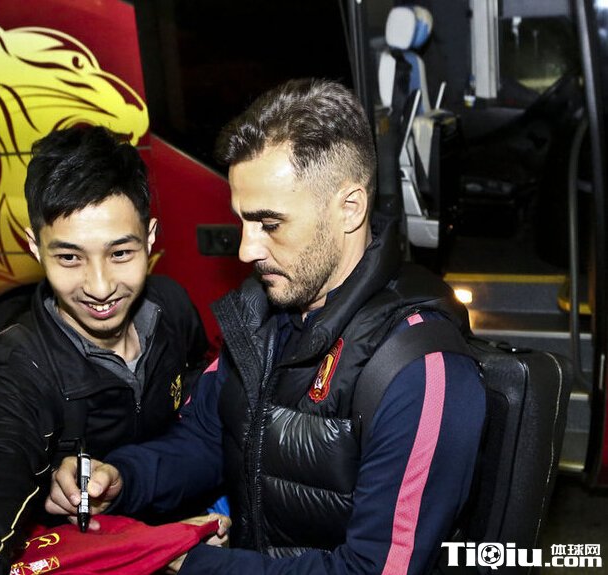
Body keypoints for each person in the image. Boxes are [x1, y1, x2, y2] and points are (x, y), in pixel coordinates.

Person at [47, 78, 486, 574]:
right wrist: (122, 478)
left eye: (270, 224)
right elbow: (207, 439)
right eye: (243, 222)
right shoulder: (263, 315)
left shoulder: (419, 368)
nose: (246, 249)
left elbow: (374, 570)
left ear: (349, 208)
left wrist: (191, 564)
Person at [0, 125, 209, 575]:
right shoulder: (14, 362)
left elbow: (201, 404)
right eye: (69, 258)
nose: (100, 287)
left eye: (120, 254)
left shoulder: (173, 307)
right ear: (35, 247)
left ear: (149, 238)